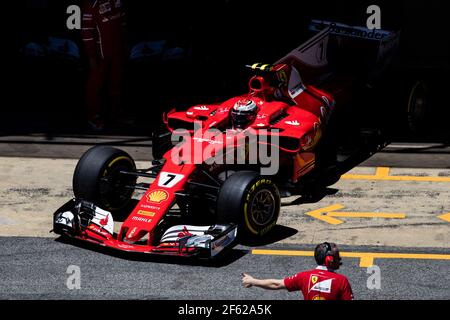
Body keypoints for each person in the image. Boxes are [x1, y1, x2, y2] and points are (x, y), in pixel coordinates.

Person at [242, 242, 353, 300]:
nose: (340, 259)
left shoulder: (304, 277)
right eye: (337, 256)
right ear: (329, 260)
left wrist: (253, 281)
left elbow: (276, 284)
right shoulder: (342, 281)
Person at [81, 0, 128, 130]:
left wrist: (124, 46)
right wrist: (91, 56)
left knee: (116, 84)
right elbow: (86, 31)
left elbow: (123, 24)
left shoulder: (118, 1)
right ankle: (93, 116)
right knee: (95, 86)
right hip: (100, 54)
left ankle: (116, 114)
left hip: (117, 51)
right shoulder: (92, 4)